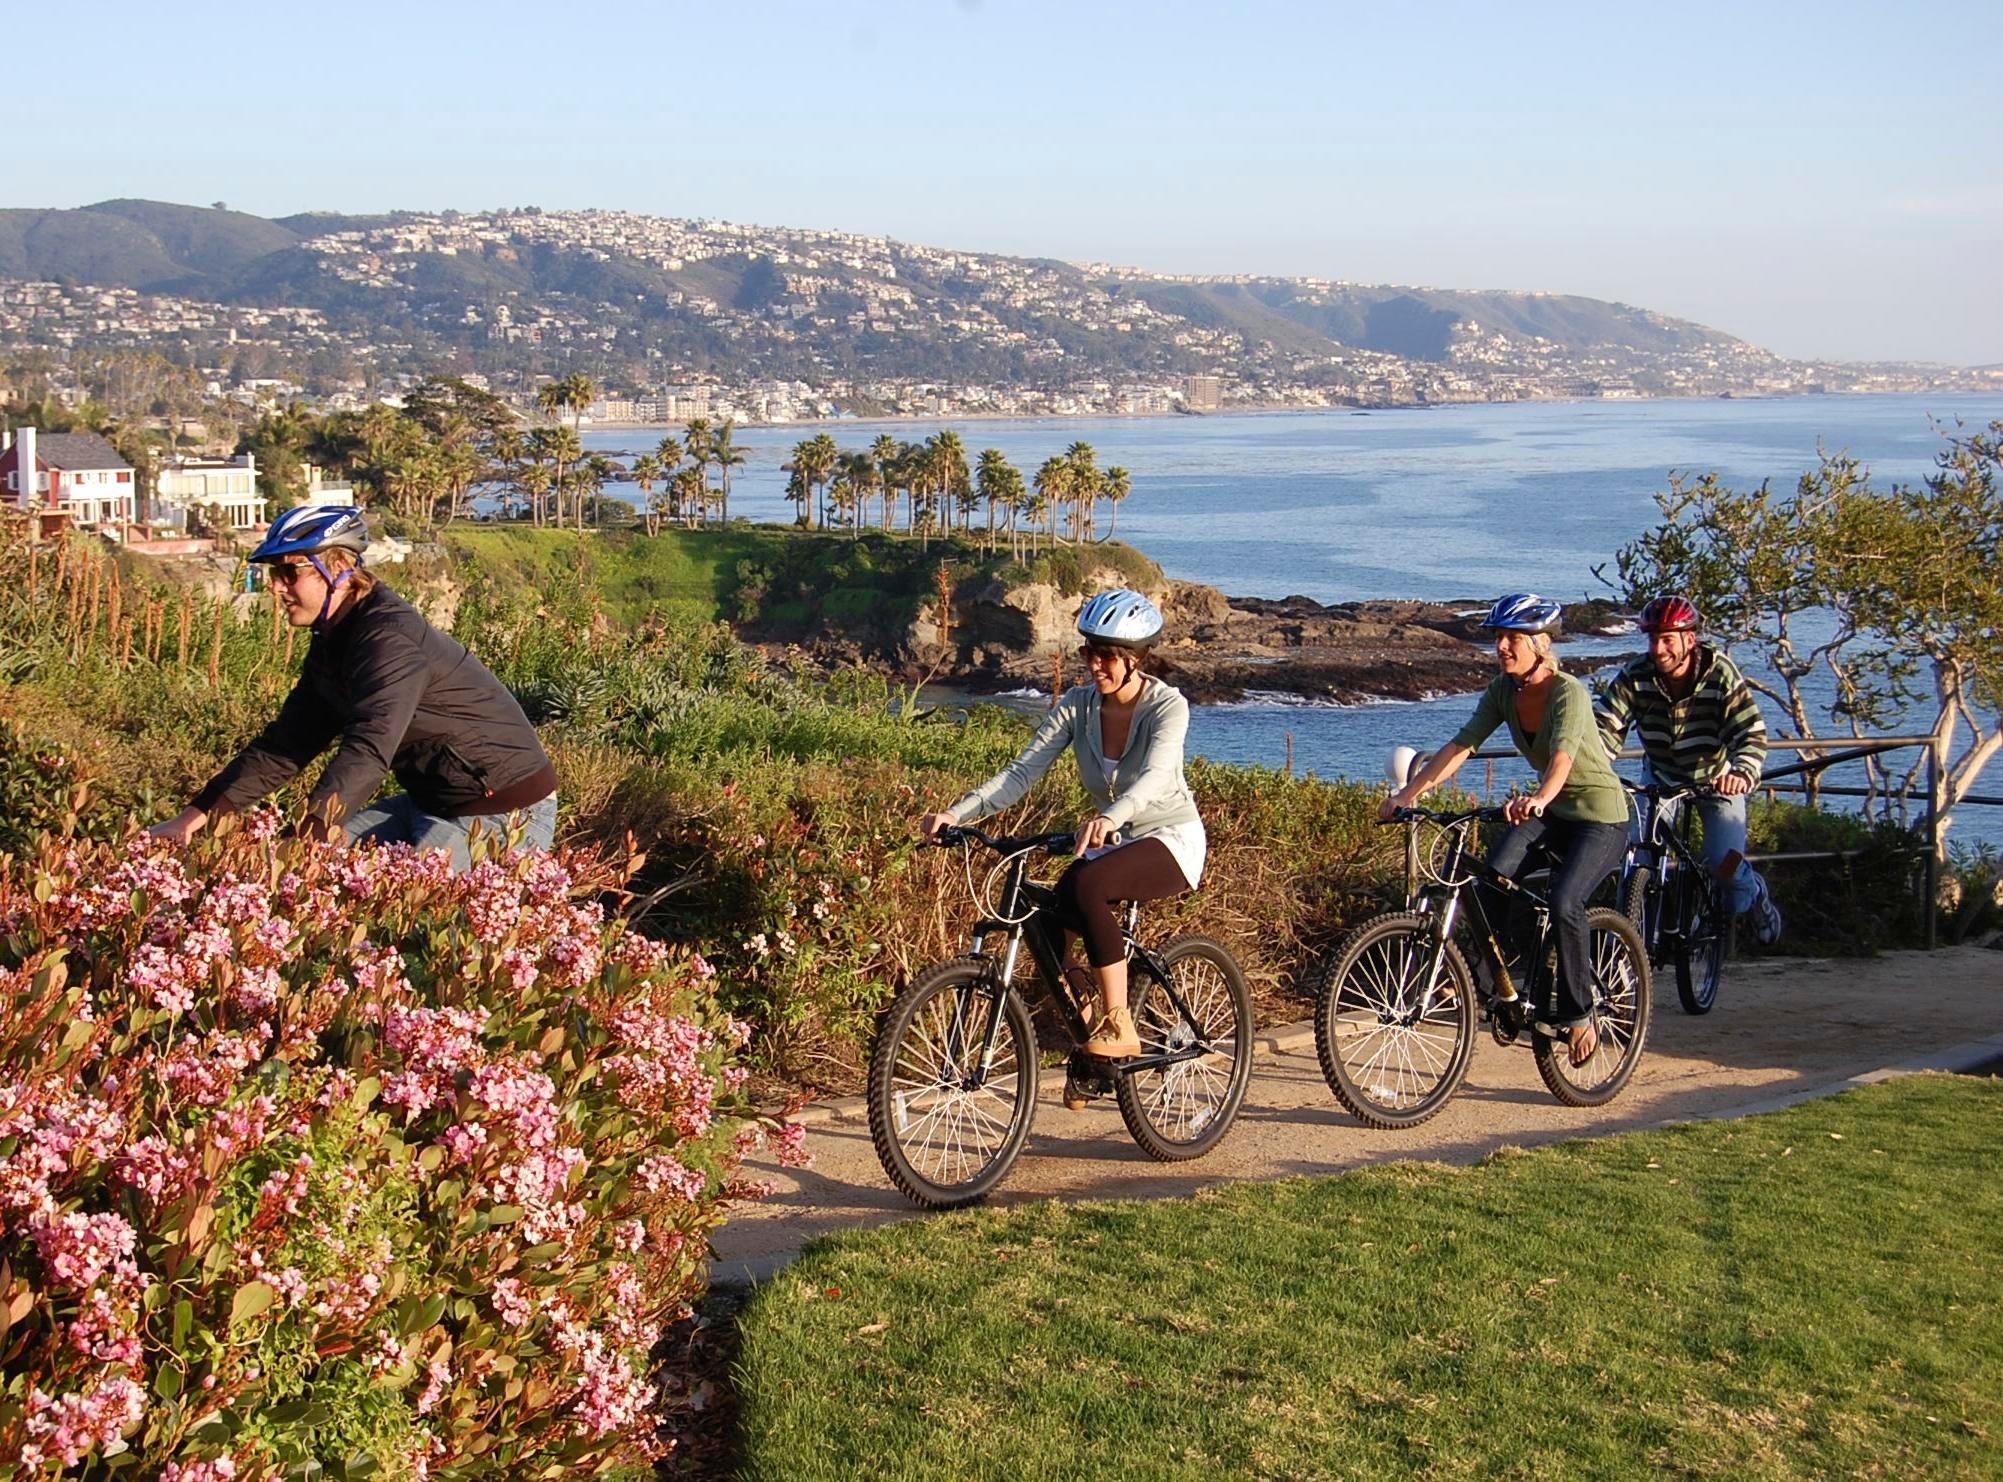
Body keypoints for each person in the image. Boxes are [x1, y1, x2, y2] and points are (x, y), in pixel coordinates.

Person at [150, 505, 558, 870]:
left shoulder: (388, 640)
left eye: (288, 572)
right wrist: (193, 818)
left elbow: (368, 748)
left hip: (501, 811)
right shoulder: (335, 639)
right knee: (305, 877)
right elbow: (285, 746)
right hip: (428, 802)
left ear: (339, 568)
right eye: (272, 574)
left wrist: (311, 832)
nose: (276, 587)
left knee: (406, 916)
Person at [917, 588, 1205, 1076]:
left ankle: (1120, 1023)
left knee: (1087, 884)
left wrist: (1113, 815)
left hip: (1170, 837)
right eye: (1089, 653)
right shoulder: (1078, 706)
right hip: (1112, 840)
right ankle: (1096, 1045)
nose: (1095, 665)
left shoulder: (1167, 707)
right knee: (1048, 919)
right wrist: (957, 814)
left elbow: (1157, 775)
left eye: (1108, 656)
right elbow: (1021, 773)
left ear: (1137, 660)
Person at [1380, 593, 1631, 1066]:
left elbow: (1561, 759)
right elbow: (1460, 746)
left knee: (1564, 901)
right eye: (1499, 637)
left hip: (1600, 817)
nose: (1502, 647)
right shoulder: (1502, 691)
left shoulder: (1568, 693)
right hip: (1553, 814)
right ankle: (1512, 981)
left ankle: (1580, 1015)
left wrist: (1538, 798)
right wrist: (1406, 796)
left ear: (1540, 644)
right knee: (1492, 878)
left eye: (1514, 638)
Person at [1595, 594, 1782, 944]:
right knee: (1639, 857)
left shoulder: (1720, 673)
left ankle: (1754, 894)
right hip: (1660, 778)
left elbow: (1751, 733)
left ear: (1689, 639)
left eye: (1667, 639)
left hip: (1716, 780)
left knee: (1723, 865)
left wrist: (1741, 773)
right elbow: (1605, 727)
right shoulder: (1636, 675)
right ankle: (1625, 947)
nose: (1658, 648)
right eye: (1653, 639)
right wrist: (1595, 771)